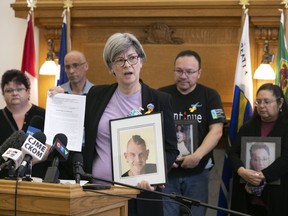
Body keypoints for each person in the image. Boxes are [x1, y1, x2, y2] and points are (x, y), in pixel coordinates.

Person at [82, 32, 179, 216]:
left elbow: (171, 148)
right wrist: (58, 97)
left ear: (141, 61)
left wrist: (155, 175)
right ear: (111, 68)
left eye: (132, 58)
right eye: (119, 60)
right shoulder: (96, 95)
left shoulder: (160, 100)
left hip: (141, 194)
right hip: (99, 192)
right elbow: (74, 122)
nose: (127, 65)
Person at [158, 50, 226, 216]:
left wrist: (197, 156)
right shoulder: (160, 95)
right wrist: (165, 157)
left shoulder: (210, 96)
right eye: (179, 71)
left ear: (199, 73)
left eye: (189, 72)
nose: (183, 76)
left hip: (198, 172)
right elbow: (151, 130)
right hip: (168, 172)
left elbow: (217, 131)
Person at [227, 83, 288, 216]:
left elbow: (286, 158)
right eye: (258, 102)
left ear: (280, 102)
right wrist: (241, 171)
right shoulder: (247, 127)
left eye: (267, 102)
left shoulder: (285, 127)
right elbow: (232, 153)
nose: (261, 106)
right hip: (246, 197)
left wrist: (262, 176)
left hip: (277, 196)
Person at [0, 69, 46, 178]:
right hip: (4, 181)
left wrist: (27, 162)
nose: (14, 93)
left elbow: (51, 147)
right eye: (9, 90)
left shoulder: (43, 115)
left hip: (38, 180)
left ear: (28, 91)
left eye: (19, 89)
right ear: (3, 94)